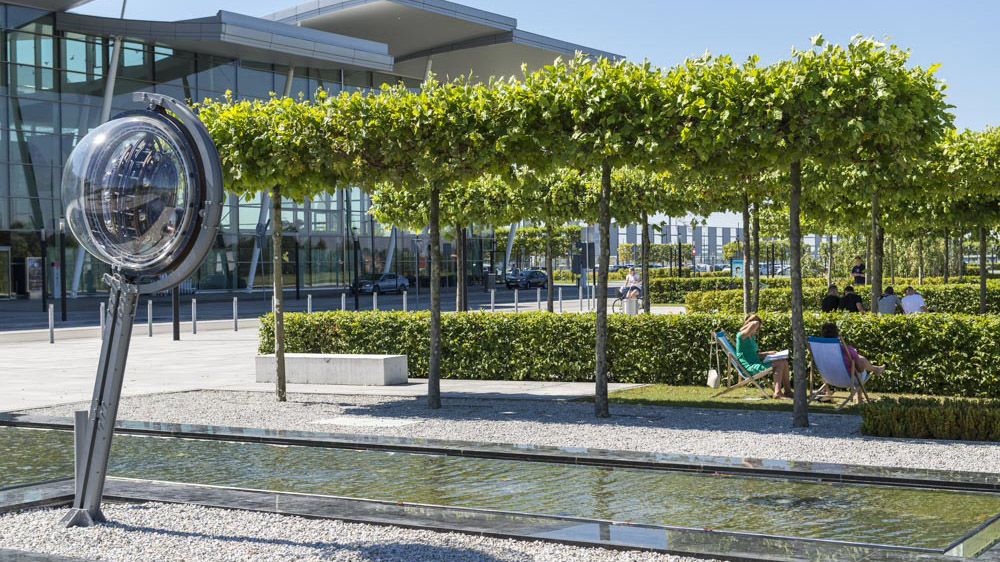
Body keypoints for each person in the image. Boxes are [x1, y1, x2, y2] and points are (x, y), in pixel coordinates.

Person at [734, 313, 791, 400]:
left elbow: (752, 354)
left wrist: (768, 353)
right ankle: (777, 393)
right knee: (779, 363)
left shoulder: (751, 337)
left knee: (784, 361)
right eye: (758, 327)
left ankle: (788, 391)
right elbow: (755, 323)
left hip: (756, 363)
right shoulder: (742, 336)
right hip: (749, 367)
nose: (758, 330)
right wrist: (753, 322)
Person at [820, 322, 885, 380]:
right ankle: (875, 369)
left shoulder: (821, 349)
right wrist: (854, 354)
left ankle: (876, 369)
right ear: (837, 334)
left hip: (829, 377)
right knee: (859, 362)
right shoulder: (846, 349)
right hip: (848, 378)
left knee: (856, 359)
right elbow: (860, 369)